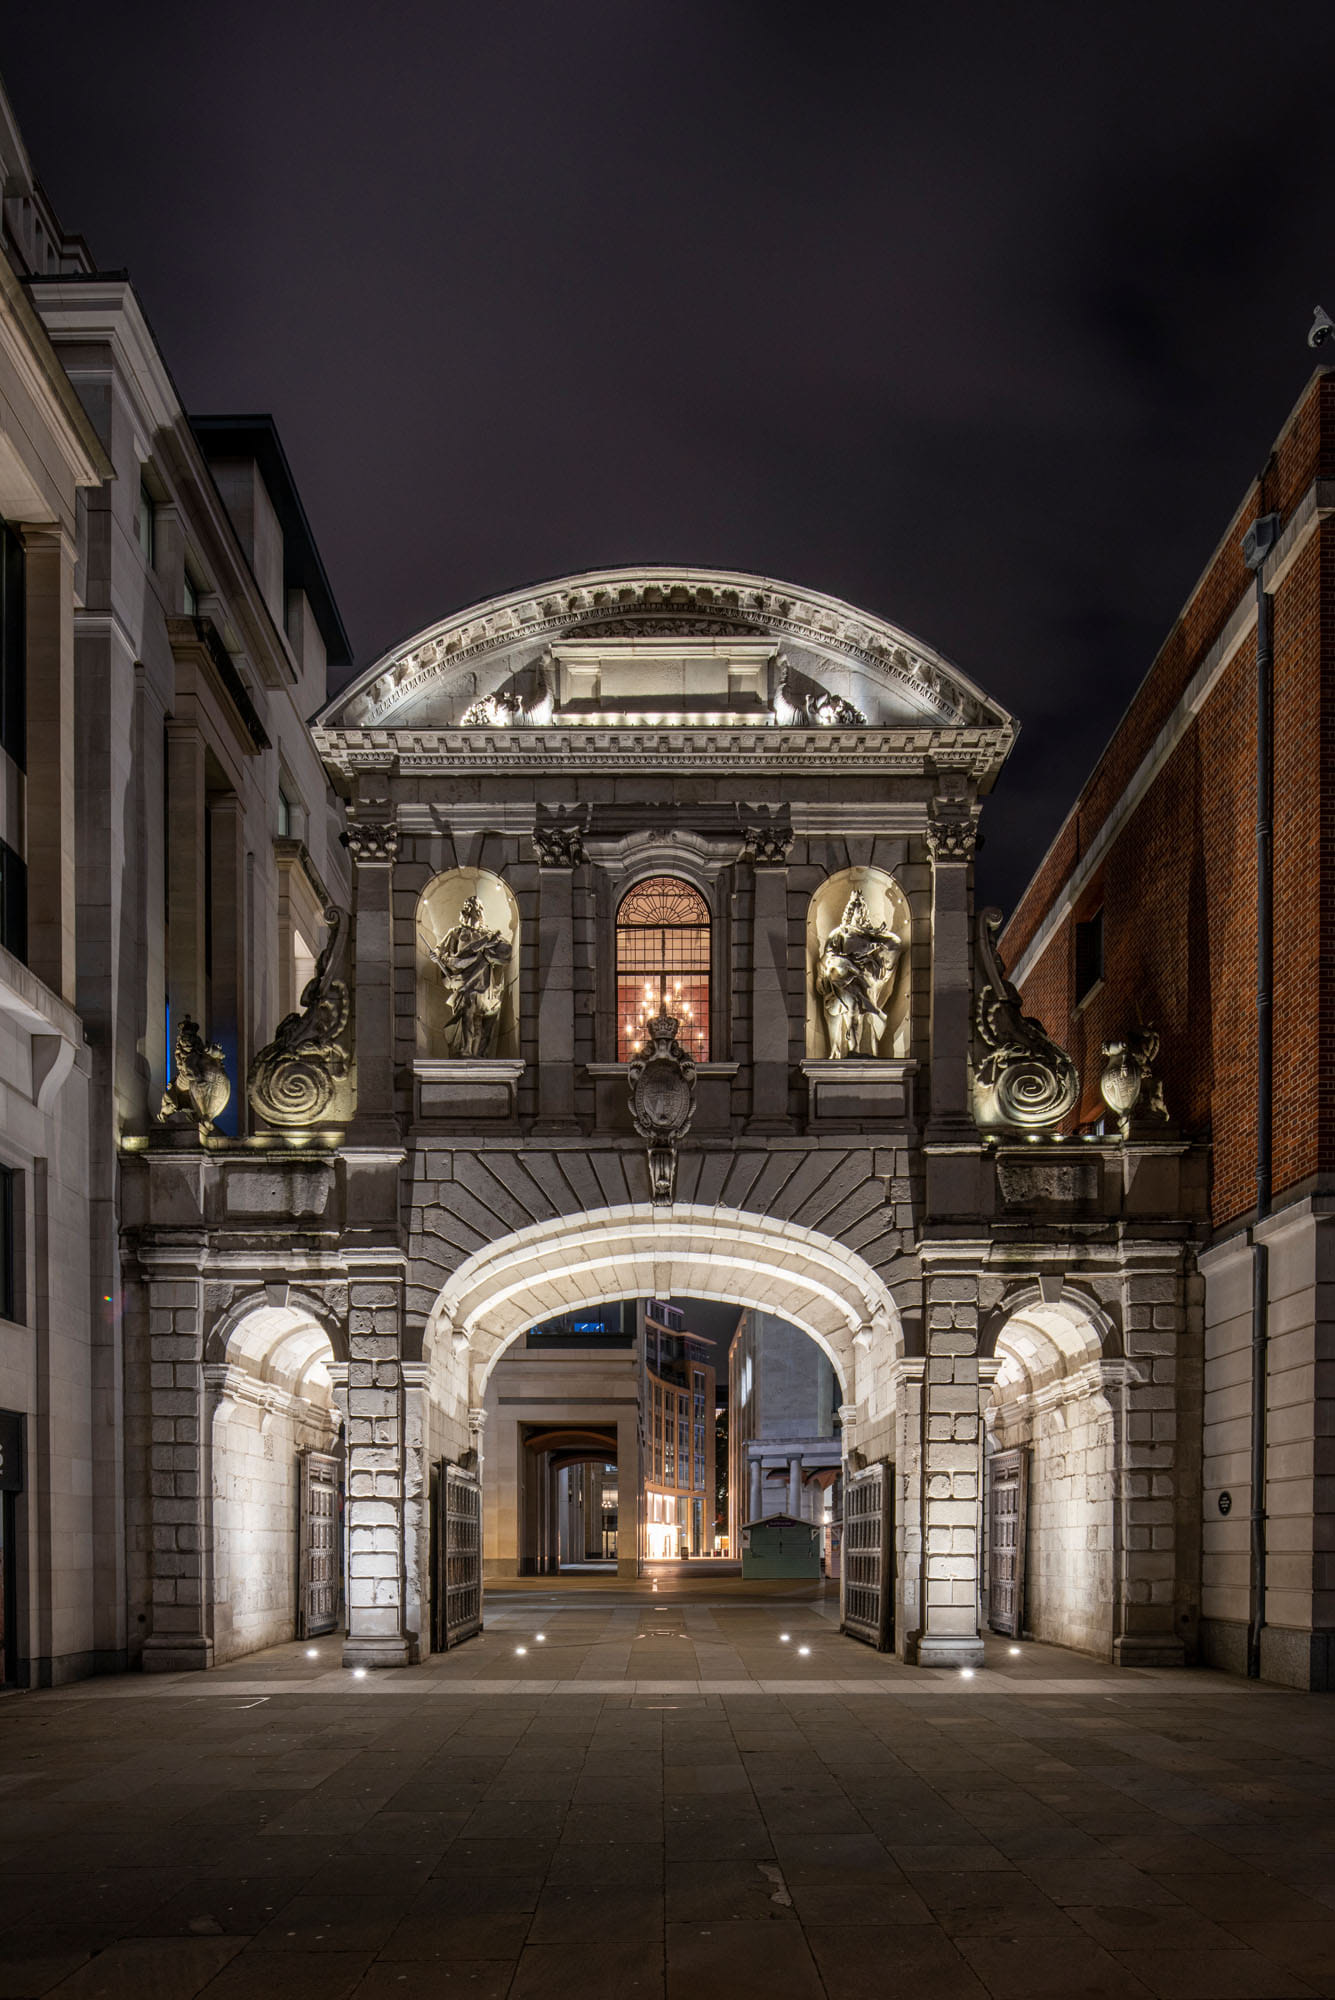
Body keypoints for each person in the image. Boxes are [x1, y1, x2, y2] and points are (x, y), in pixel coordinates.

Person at [816, 890, 902, 1058]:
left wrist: (877, 937)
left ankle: (860, 1049)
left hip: (866, 979)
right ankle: (853, 1050)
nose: (860, 911)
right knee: (853, 1011)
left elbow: (894, 945)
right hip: (845, 978)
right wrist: (840, 967)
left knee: (861, 1016)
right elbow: (829, 957)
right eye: (857, 908)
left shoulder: (872, 936)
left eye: (862, 908)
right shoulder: (839, 933)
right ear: (850, 911)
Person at [431, 895, 512, 1056]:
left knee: (478, 1019)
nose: (473, 912)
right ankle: (465, 1049)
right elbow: (439, 950)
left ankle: (476, 1053)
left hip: (483, 980)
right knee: (467, 1011)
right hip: (464, 981)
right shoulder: (456, 932)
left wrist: (488, 945)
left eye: (476, 909)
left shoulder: (488, 934)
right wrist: (436, 955)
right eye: (470, 909)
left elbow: (505, 952)